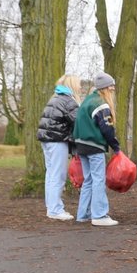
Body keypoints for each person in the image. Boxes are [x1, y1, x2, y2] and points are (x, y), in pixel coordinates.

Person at [72, 73, 120, 226]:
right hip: (94, 145)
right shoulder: (101, 104)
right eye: (111, 87)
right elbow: (107, 129)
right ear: (105, 88)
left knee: (88, 180)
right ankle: (99, 215)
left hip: (81, 145)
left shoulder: (87, 101)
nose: (112, 90)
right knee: (99, 179)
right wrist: (116, 147)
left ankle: (83, 214)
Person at [36, 75, 82, 221]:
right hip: (57, 140)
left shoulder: (55, 98)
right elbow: (78, 122)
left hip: (47, 139)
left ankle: (51, 207)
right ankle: (56, 209)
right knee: (58, 175)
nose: (80, 87)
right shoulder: (68, 101)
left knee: (50, 174)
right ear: (73, 85)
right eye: (79, 84)